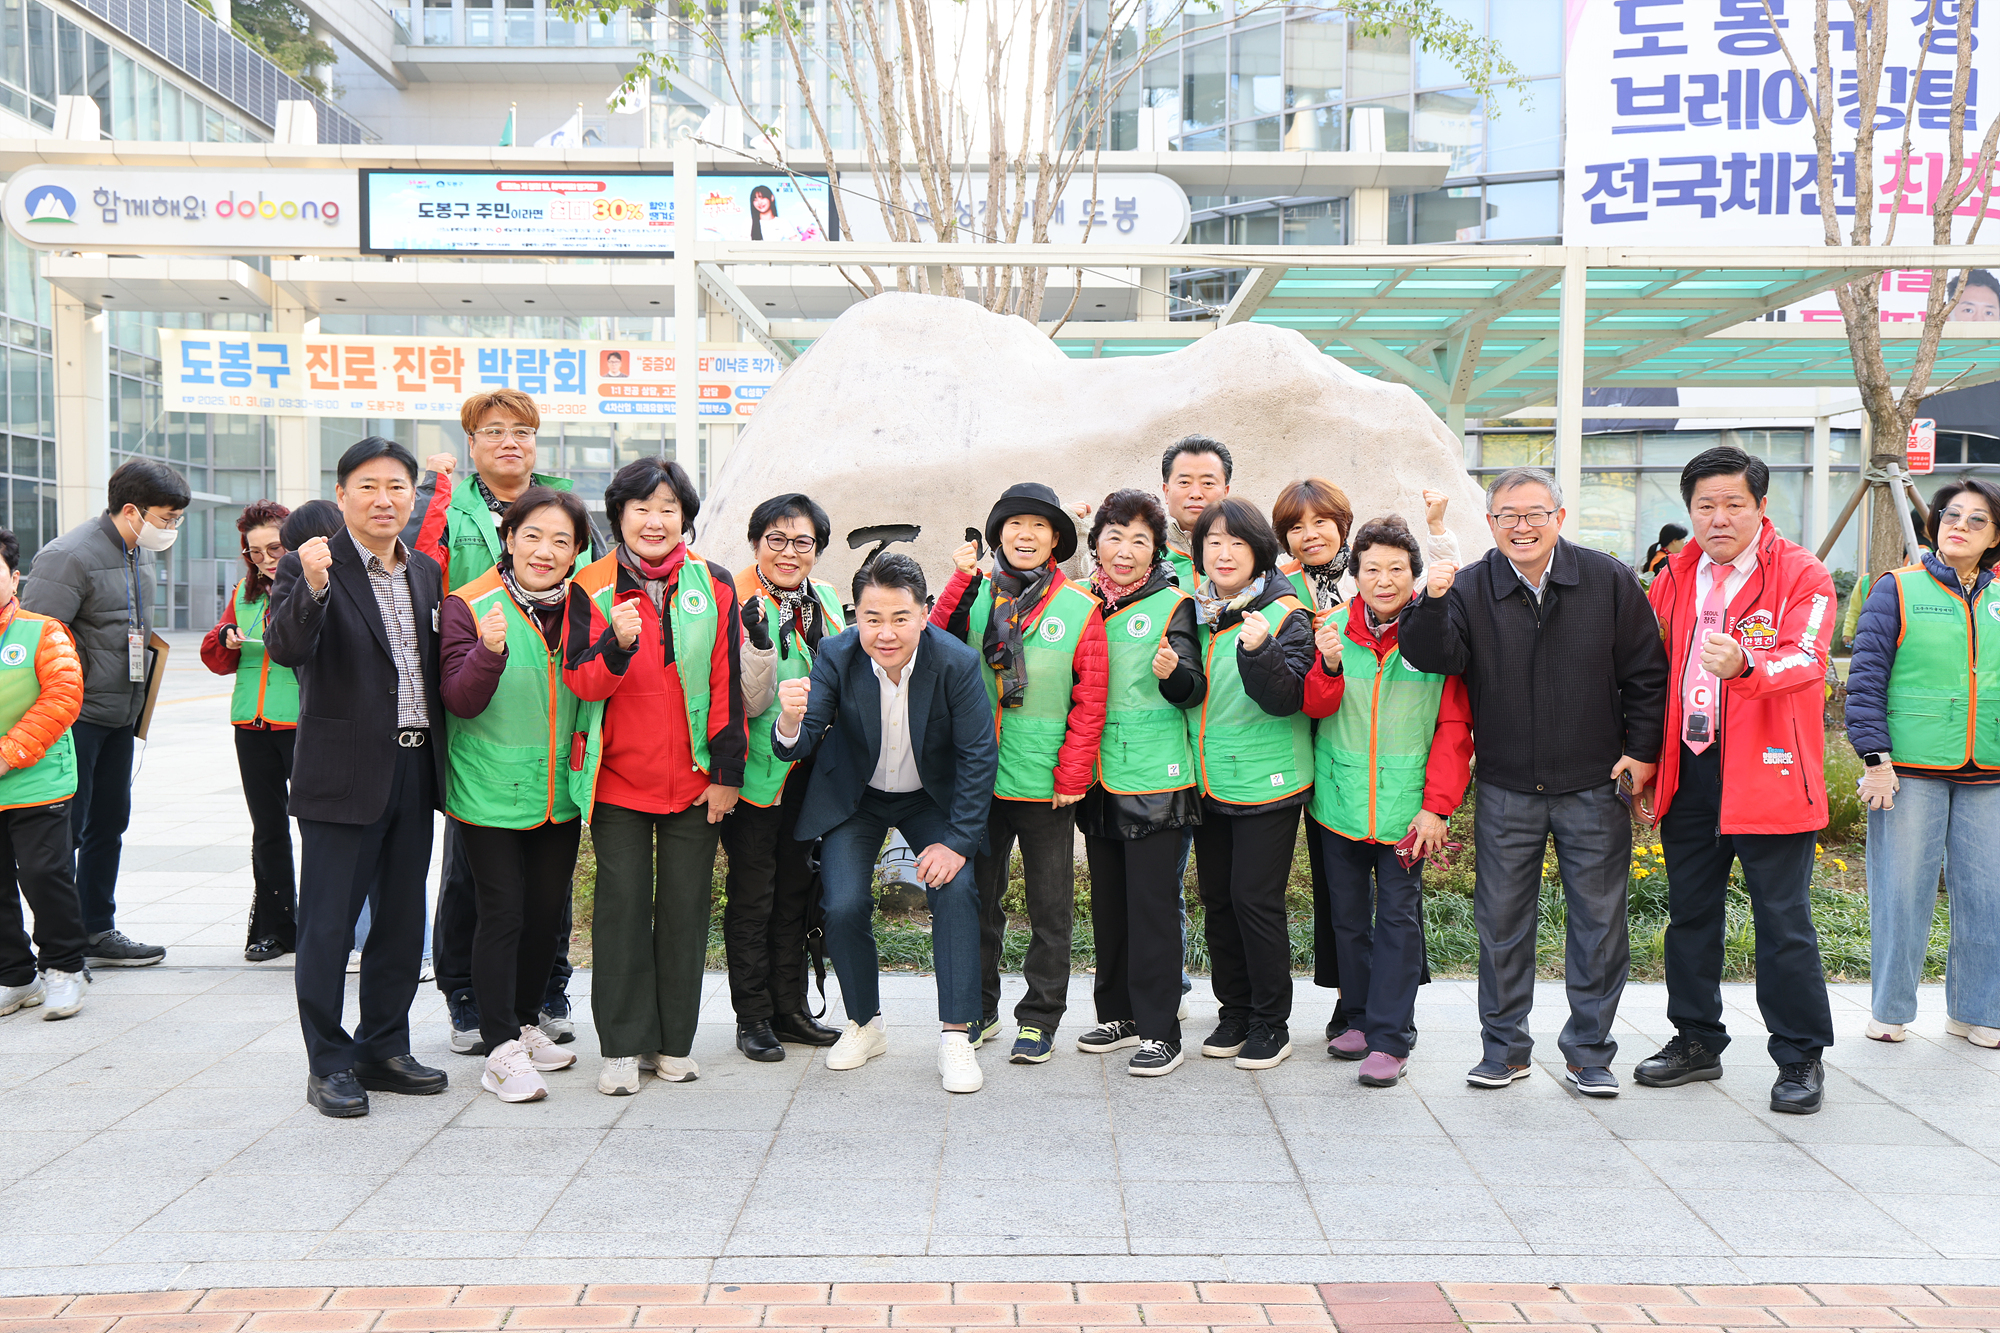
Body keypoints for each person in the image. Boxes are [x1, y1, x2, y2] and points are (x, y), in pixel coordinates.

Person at [1400, 466, 1667, 1097]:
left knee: (1599, 925)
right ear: (1489, 524)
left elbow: (1646, 673)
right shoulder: (1469, 586)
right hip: (1506, 786)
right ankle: (1504, 1049)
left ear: (1559, 518)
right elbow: (1433, 656)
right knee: (1500, 923)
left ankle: (1590, 1052)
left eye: (1534, 514)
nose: (1522, 527)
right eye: (1507, 517)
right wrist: (1433, 598)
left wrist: (1643, 751)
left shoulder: (1605, 578)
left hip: (1594, 783)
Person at [1632, 446, 1838, 1114]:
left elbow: (1808, 657)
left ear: (1761, 506)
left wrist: (1747, 665)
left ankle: (1800, 1055)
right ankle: (1696, 1039)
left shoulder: (1801, 572)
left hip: (1770, 769)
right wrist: (1645, 755)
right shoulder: (1675, 572)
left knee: (1783, 919)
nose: (1718, 517)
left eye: (1733, 504)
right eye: (1704, 505)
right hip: (1691, 766)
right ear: (1689, 510)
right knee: (1690, 913)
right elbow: (1650, 669)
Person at [407, 389, 599, 1056]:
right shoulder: (449, 509)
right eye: (493, 431)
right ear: (472, 444)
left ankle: (544, 992)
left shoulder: (567, 509)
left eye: (522, 430)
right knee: (474, 878)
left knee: (545, 890)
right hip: (478, 695)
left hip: (549, 724)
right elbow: (419, 584)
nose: (509, 441)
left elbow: (595, 595)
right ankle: (467, 995)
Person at [266, 438, 450, 1119]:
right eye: (368, 486)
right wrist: (311, 586)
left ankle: (384, 1045)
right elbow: (287, 647)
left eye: (397, 486)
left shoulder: (426, 571)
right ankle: (329, 1061)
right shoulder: (308, 564)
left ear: (411, 494)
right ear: (341, 496)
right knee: (328, 925)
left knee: (402, 921)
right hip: (342, 774)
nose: (384, 498)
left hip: (413, 763)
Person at [770, 553, 999, 1093]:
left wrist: (958, 843)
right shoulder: (836, 653)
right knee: (843, 901)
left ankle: (956, 1036)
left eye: (899, 618)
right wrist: (788, 718)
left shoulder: (956, 663)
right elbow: (800, 744)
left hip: (929, 799)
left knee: (957, 887)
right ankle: (865, 1022)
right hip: (860, 797)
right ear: (856, 617)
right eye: (872, 618)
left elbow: (978, 755)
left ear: (923, 614)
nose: (886, 632)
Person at [563, 457, 746, 1097]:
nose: (655, 520)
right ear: (618, 516)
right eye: (641, 508)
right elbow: (581, 679)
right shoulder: (589, 585)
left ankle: (674, 1042)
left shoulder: (714, 584)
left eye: (668, 509)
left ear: (685, 520)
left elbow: (725, 683)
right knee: (619, 910)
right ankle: (620, 1044)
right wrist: (614, 643)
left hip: (696, 781)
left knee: (685, 910)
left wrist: (727, 773)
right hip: (616, 780)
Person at [932, 482, 1108, 1062]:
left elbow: (1091, 700)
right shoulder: (975, 594)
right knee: (978, 902)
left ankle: (1039, 1018)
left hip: (1045, 784)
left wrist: (1073, 776)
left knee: (1050, 907)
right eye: (1014, 526)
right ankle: (979, 1009)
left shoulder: (1081, 607)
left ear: (1056, 539)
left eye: (1038, 527)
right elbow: (931, 642)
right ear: (996, 535)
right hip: (978, 778)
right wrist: (960, 580)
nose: (1025, 536)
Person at [1304, 515, 1472, 1088]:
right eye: (1371, 568)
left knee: (1397, 919)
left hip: (1408, 812)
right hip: (1339, 802)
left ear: (1414, 575)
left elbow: (1454, 728)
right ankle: (1356, 1016)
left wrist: (1437, 807)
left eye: (1396, 569)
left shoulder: (1434, 635)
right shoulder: (1332, 629)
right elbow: (1315, 707)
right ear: (1355, 574)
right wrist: (1326, 664)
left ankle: (1391, 1038)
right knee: (1347, 919)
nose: (1383, 579)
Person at [441, 486, 594, 1104]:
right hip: (488, 788)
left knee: (544, 914)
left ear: (577, 550)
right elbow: (459, 697)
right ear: (508, 539)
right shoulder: (469, 604)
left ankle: (527, 1024)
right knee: (501, 912)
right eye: (532, 536)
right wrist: (489, 652)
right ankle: (498, 1045)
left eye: (561, 540)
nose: (545, 551)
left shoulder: (583, 606)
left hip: (558, 787)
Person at [1847, 476, 2000, 1051]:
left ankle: (1979, 1011)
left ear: (1995, 535)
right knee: (1901, 891)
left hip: (1990, 772)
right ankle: (1889, 1009)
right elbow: (1864, 681)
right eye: (1951, 515)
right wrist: (1874, 759)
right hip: (1907, 770)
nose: (1959, 525)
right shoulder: (1897, 588)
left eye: (1976, 519)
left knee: (1989, 896)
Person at [20, 458, 189, 969]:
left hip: (121, 713)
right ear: (132, 509)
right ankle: (60, 943)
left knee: (109, 822)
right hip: (75, 719)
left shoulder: (137, 552)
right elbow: (36, 646)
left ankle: (97, 928)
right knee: (64, 832)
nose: (172, 529)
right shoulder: (68, 557)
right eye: (167, 517)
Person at [1070, 490, 1205, 1077]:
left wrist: (1175, 674)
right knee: (1110, 906)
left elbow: (1193, 687)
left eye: (1139, 541)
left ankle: (1161, 1030)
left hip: (1155, 775)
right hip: (1095, 775)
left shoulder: (1174, 604)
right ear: (1096, 540)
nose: (1124, 551)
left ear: (1156, 552)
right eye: (1114, 536)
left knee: (1151, 906)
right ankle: (1119, 1013)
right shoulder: (1076, 602)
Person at [1185, 497, 1314, 1071]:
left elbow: (1288, 697)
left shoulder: (1285, 614)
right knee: (1217, 900)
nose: (1224, 552)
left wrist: (1260, 648)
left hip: (1269, 782)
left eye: (1236, 542)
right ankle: (1234, 1009)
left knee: (1254, 901)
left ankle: (1270, 1020)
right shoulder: (1201, 611)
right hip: (1211, 782)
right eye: (1213, 542)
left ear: (1260, 550)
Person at [725, 493, 846, 1061]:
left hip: (807, 771)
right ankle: (753, 1016)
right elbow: (738, 699)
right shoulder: (735, 598)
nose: (789, 552)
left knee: (797, 892)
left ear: (817, 550)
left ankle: (790, 1007)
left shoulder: (822, 599)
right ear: (756, 544)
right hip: (753, 775)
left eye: (803, 543)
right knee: (754, 895)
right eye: (776, 540)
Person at [199, 501, 301, 964]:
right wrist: (224, 636)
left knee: (321, 830)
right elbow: (217, 657)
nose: (265, 558)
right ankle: (276, 929)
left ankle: (324, 924)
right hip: (252, 725)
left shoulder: (313, 583)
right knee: (267, 831)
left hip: (302, 723)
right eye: (255, 551)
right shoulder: (246, 591)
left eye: (274, 547)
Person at [0, 528, 88, 1022]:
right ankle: (13, 975)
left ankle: (64, 968)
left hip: (36, 778)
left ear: (15, 578)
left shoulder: (42, 630)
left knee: (44, 874)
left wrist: (8, 754)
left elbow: (61, 698)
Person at [1159, 435, 1233, 590]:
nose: (1196, 493)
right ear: (1166, 492)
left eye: (1208, 483)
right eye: (1184, 482)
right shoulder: (1148, 549)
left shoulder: (1250, 547)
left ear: (1225, 492)